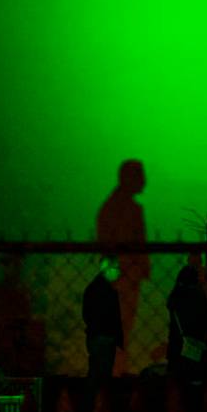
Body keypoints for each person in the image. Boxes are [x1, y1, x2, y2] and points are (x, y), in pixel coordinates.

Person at [96, 160, 150, 374]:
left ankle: (117, 368)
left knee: (121, 327)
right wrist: (119, 276)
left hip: (122, 275)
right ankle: (116, 370)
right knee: (121, 326)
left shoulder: (114, 206)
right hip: (124, 276)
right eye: (140, 175)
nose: (144, 180)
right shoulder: (121, 209)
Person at [166, 264, 207, 383]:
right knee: (197, 380)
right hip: (196, 343)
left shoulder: (175, 295)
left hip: (178, 344)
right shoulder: (198, 294)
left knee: (178, 381)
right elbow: (205, 319)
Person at [82, 255, 123, 390]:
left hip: (97, 336)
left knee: (96, 374)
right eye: (116, 268)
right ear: (108, 269)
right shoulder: (107, 291)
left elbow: (86, 314)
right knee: (102, 376)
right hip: (104, 338)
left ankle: (92, 404)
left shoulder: (92, 288)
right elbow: (112, 317)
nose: (119, 272)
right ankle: (98, 403)